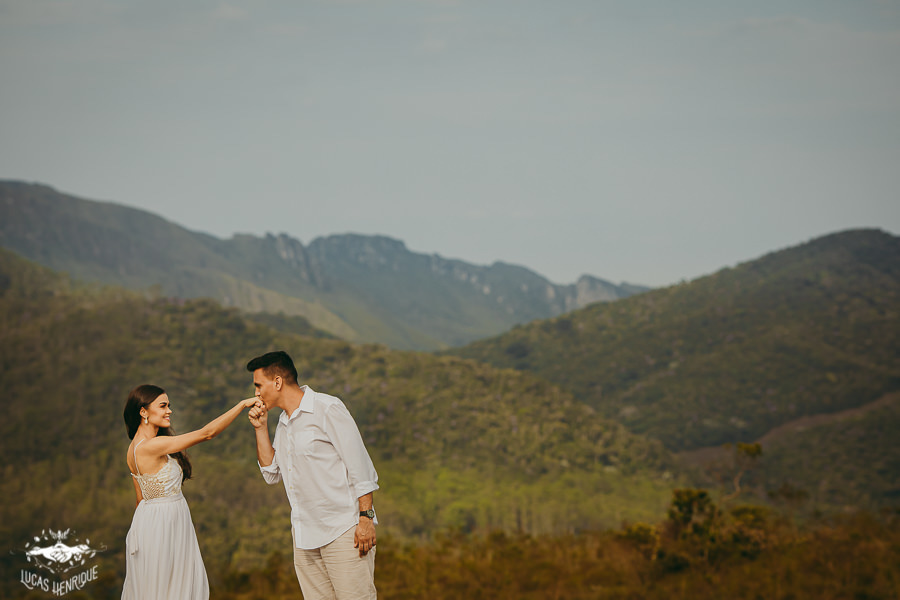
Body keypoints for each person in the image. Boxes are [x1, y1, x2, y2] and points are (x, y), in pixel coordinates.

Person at [246, 350, 379, 600]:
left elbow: (360, 466)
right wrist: (261, 428)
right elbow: (271, 473)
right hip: (304, 536)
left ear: (277, 382)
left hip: (343, 531)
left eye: (258, 385)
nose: (256, 393)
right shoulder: (284, 423)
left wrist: (366, 518)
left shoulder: (328, 408)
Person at [121, 384, 258, 600]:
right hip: (164, 524)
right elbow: (207, 434)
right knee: (169, 588)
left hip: (155, 522)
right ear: (143, 411)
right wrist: (241, 405)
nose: (169, 411)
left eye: (169, 405)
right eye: (163, 405)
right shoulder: (149, 447)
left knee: (161, 586)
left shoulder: (133, 448)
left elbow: (140, 499)